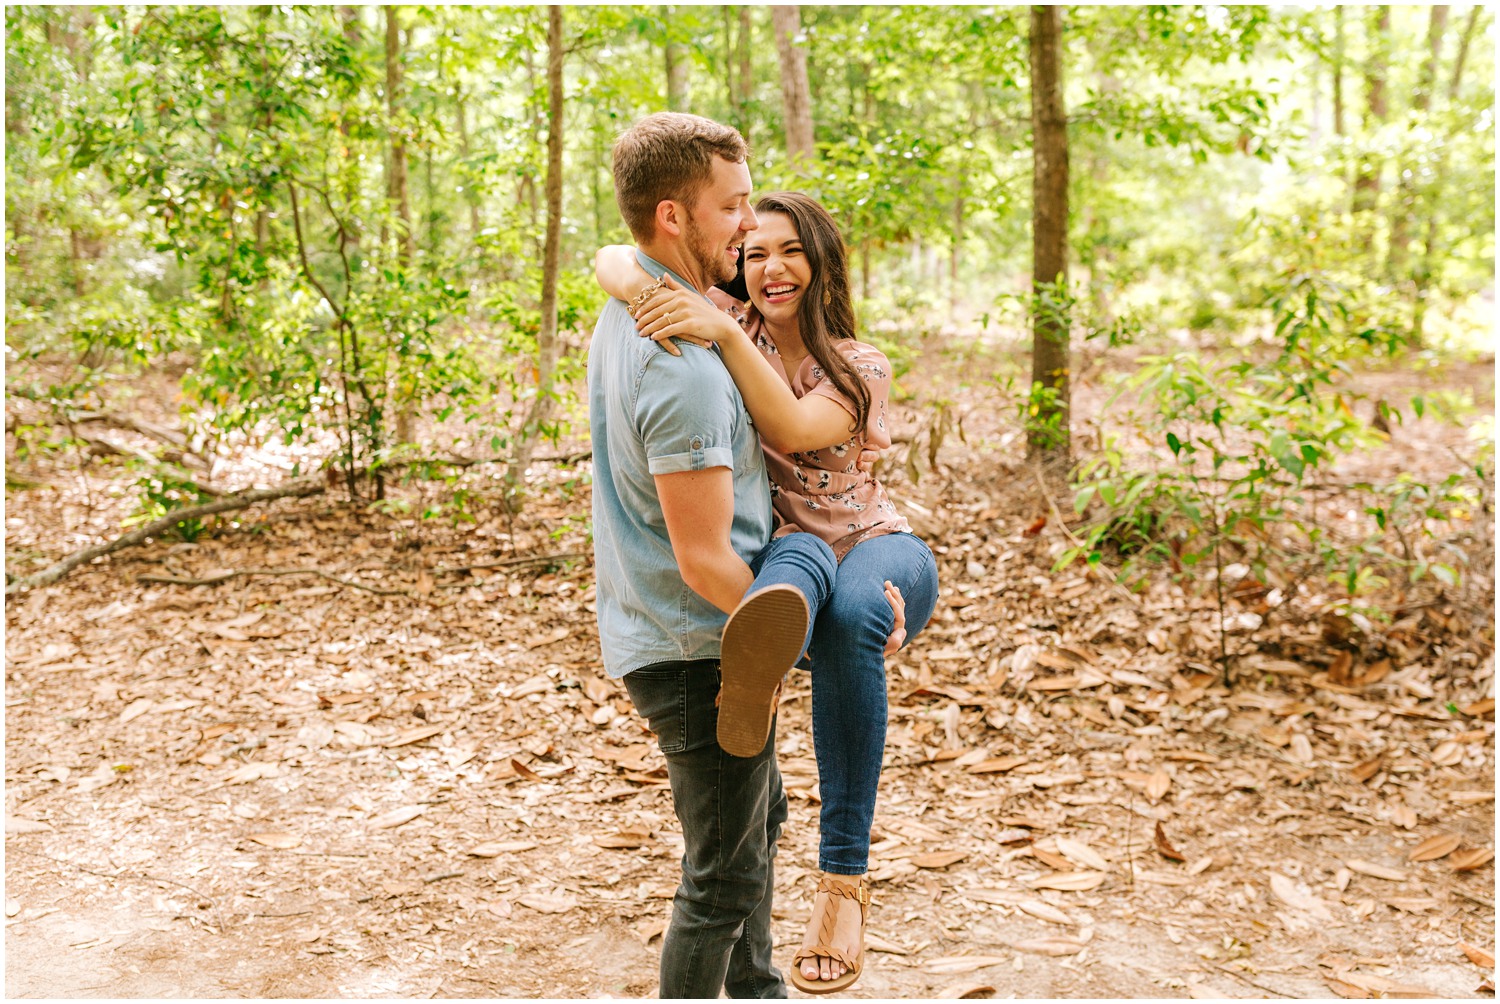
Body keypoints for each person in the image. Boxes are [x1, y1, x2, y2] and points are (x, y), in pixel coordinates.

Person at [596, 191, 940, 994]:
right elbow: (614, 260)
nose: (769, 268)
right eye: (754, 253)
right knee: (788, 585)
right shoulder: (732, 321)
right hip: (797, 554)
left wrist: (715, 326)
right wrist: (660, 293)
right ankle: (764, 658)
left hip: (875, 546)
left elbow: (789, 427)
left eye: (789, 250)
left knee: (856, 612)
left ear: (821, 262)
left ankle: (844, 885)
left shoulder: (858, 363)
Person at [590, 112, 855, 999]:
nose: (747, 226)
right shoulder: (684, 365)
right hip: (702, 645)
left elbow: (614, 258)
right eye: (733, 205)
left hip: (684, 633)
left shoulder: (640, 307)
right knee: (722, 877)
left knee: (757, 824)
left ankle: (759, 990)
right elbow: (706, 560)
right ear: (673, 217)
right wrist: (815, 651)